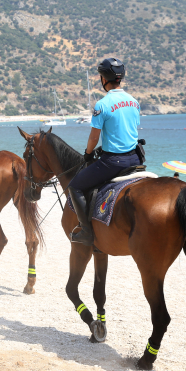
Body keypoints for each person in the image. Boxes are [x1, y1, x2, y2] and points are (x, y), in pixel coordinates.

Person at [68, 58, 141, 246]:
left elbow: (94, 138)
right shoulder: (134, 102)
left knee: (75, 186)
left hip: (113, 162)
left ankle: (86, 231)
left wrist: (87, 153)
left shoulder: (102, 105)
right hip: (135, 158)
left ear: (103, 79)